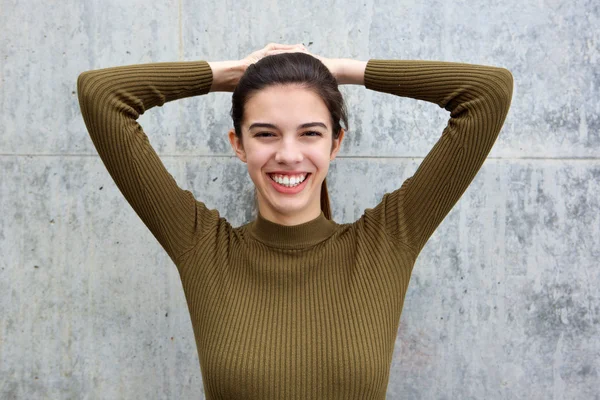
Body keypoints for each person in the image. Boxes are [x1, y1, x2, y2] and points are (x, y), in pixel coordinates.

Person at [77, 43, 513, 399]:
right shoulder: (203, 249)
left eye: (310, 132)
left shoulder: (386, 243)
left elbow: (487, 92)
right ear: (238, 144)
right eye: (265, 133)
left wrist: (338, 69)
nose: (288, 154)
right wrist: (234, 73)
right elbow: (102, 94)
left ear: (335, 143)